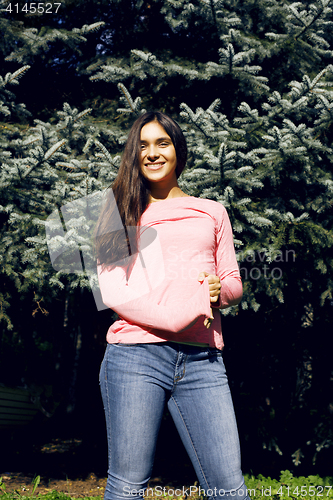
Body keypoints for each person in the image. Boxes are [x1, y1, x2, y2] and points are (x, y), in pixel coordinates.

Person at [95, 111, 250, 500]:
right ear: (134, 154)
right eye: (143, 145)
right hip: (134, 358)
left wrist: (218, 291)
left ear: (177, 150)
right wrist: (177, 318)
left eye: (162, 143)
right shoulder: (119, 210)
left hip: (203, 363)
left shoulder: (211, 211)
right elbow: (113, 292)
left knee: (229, 489)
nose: (152, 153)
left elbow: (234, 284)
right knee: (128, 486)